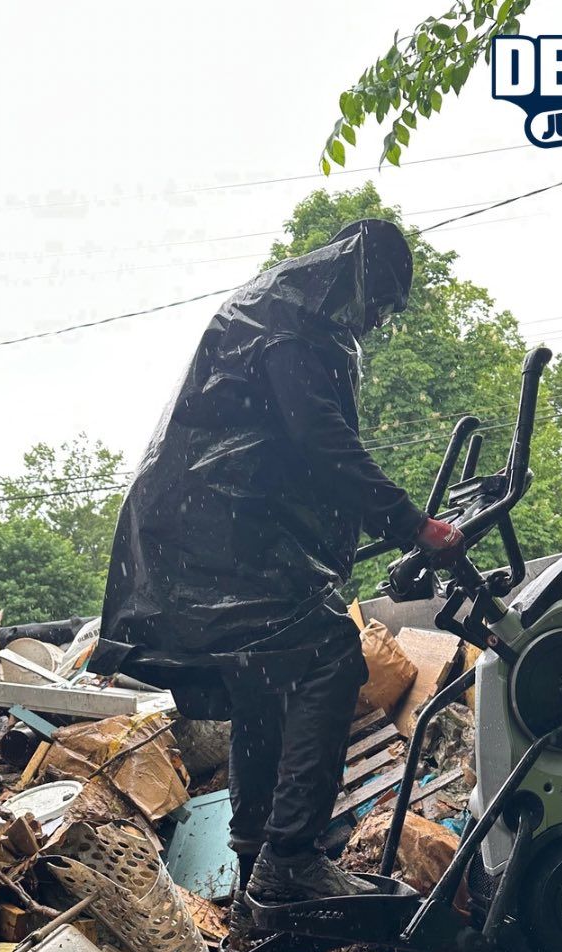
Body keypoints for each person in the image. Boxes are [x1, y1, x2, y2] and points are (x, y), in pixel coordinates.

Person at [95, 218, 463, 909]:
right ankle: (290, 859)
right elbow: (322, 442)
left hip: (206, 534)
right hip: (215, 540)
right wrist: (412, 524)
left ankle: (253, 873)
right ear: (358, 277)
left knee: (258, 682)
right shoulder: (288, 329)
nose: (377, 322)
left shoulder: (276, 311)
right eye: (381, 304)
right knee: (333, 657)